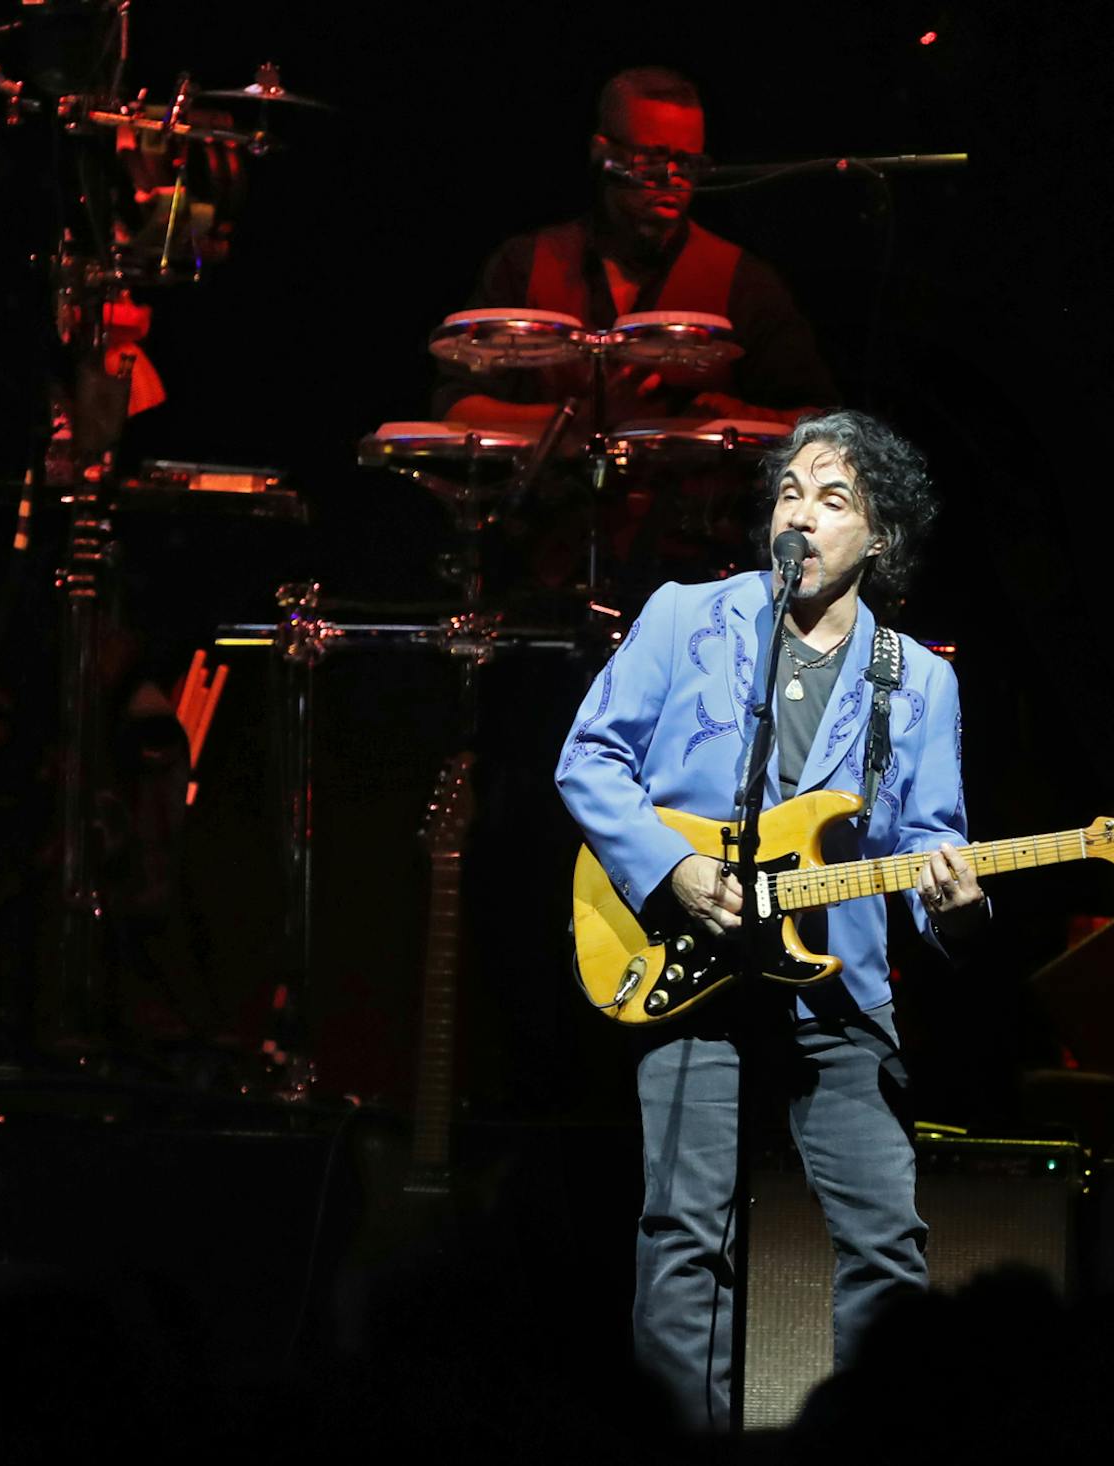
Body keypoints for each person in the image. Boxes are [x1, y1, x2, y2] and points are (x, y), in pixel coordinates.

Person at [552, 409, 987, 1428]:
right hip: (687, 961)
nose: (803, 512)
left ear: (879, 537)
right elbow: (588, 757)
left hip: (834, 989)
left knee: (886, 1241)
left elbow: (930, 846)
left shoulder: (919, 680)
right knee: (683, 1232)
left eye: (835, 498)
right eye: (792, 490)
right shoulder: (684, 617)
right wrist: (676, 869)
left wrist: (958, 909)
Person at [437, 67, 836, 428]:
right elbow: (456, 410)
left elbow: (817, 418)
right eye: (653, 158)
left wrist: (741, 417)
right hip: (548, 507)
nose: (674, 178)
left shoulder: (744, 281)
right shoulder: (524, 264)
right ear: (603, 153)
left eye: (688, 162)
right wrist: (579, 421)